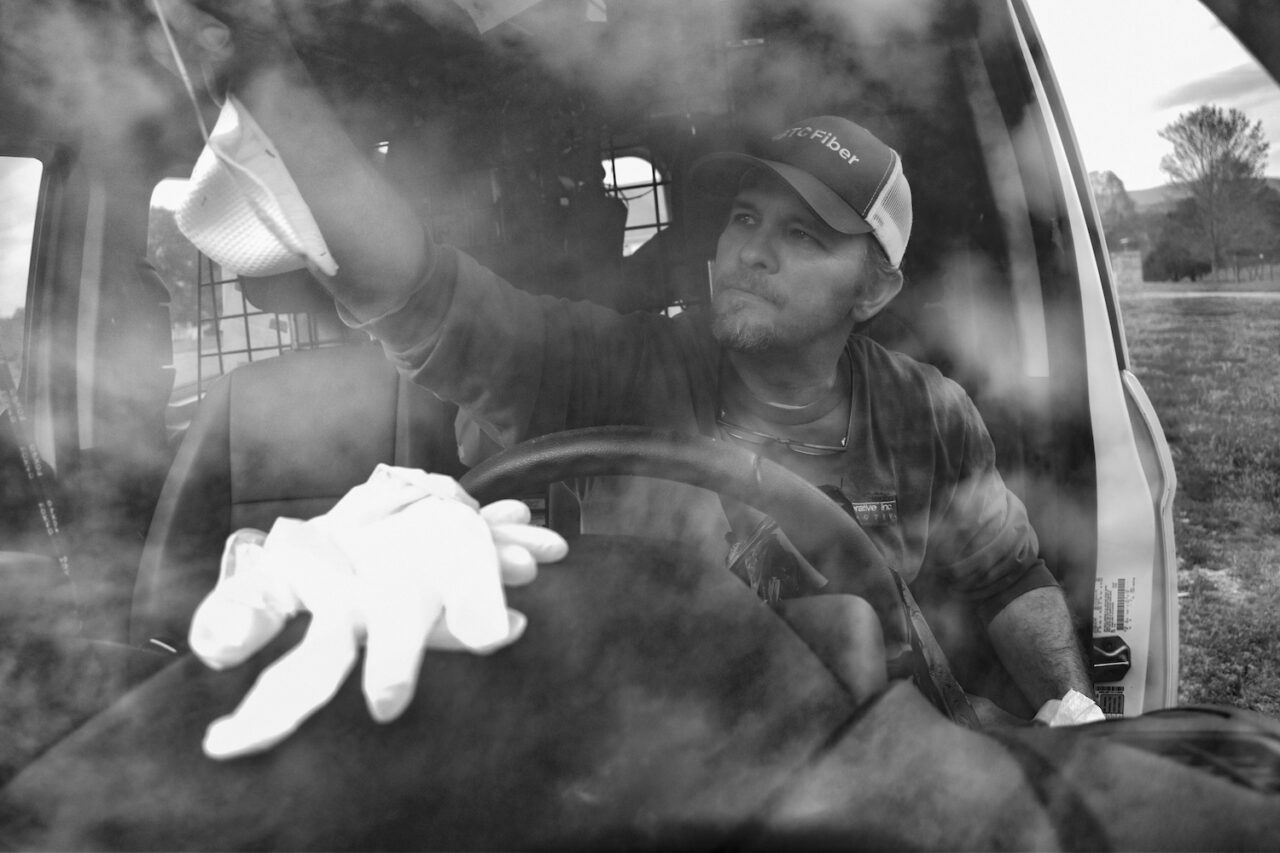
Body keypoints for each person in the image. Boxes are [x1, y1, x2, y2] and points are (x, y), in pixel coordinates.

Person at [157, 0, 1094, 724]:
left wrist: (1072, 707)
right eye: (743, 218)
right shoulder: (623, 371)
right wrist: (270, 89)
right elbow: (431, 301)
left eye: (803, 236)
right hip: (666, 765)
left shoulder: (929, 413)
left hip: (890, 761)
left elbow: (1010, 578)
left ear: (876, 289)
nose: (751, 252)